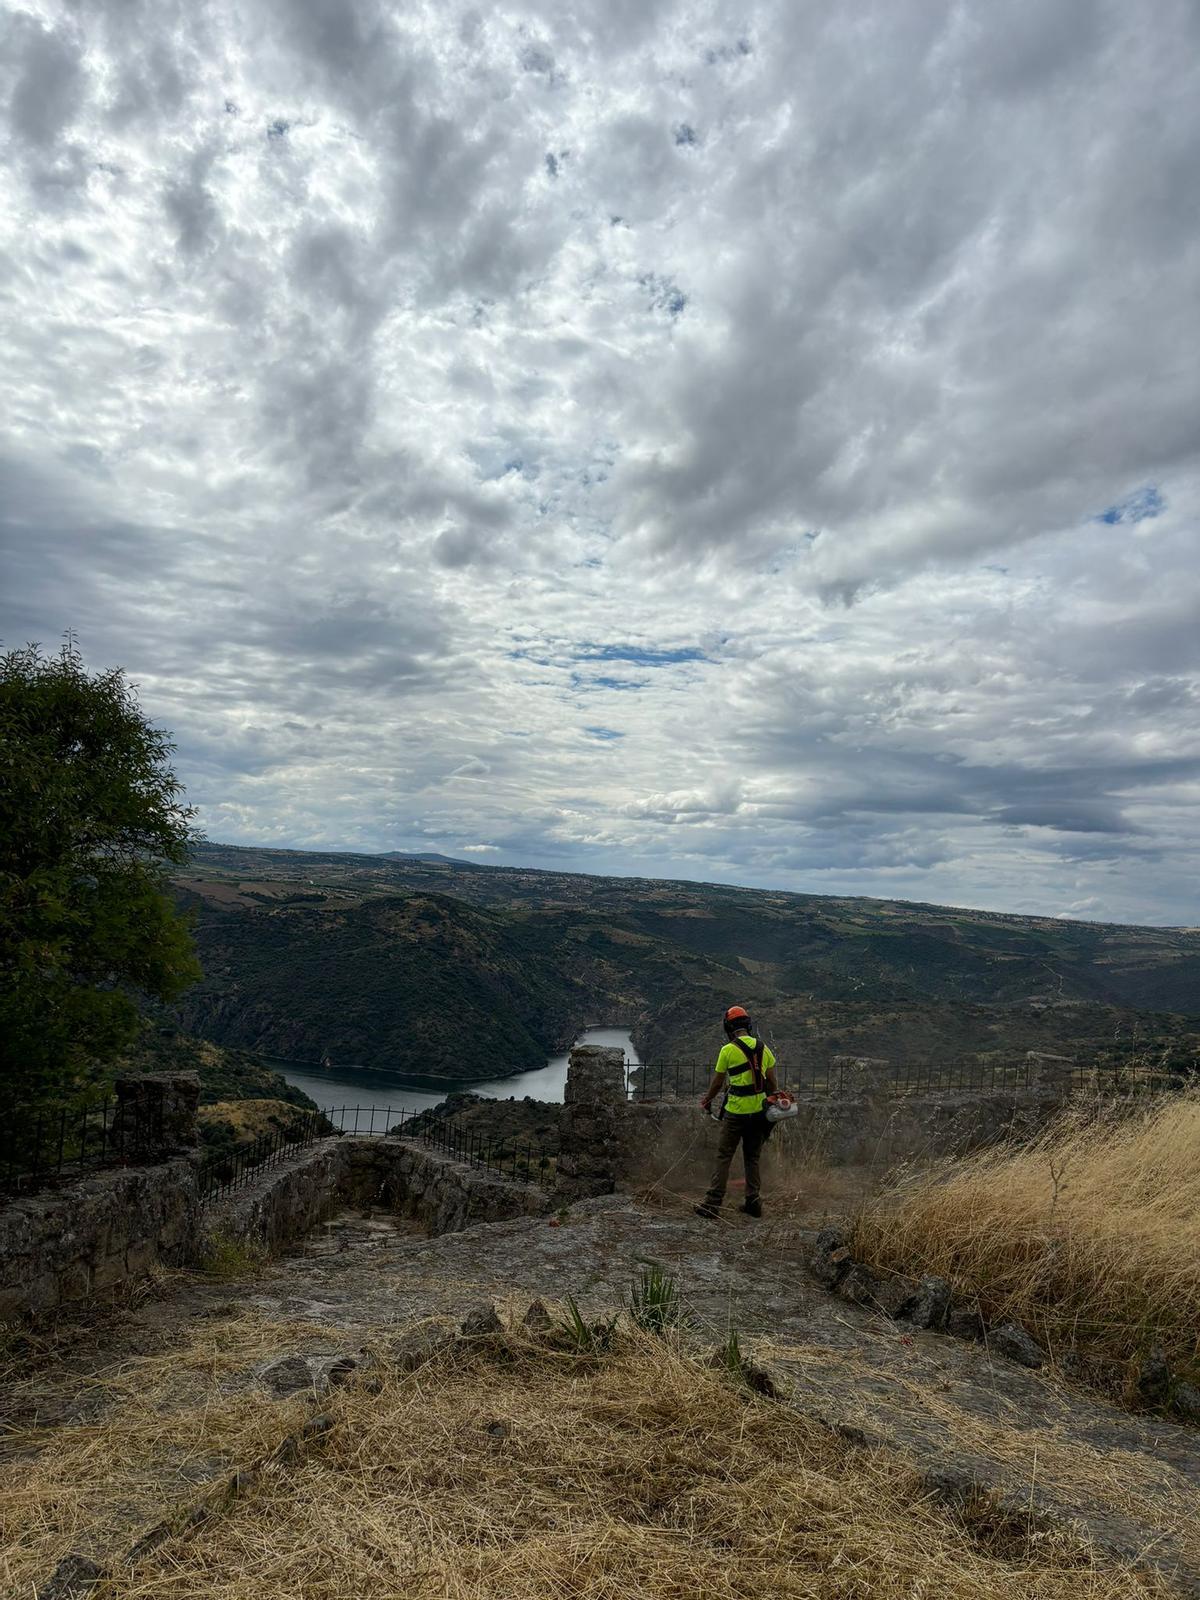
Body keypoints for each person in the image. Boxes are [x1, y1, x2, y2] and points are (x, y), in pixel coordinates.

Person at [694, 1005, 778, 1220]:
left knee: (724, 1156)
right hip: (759, 1113)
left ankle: (712, 1203)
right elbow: (772, 1083)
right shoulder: (764, 1048)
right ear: (748, 1026)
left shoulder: (727, 1050)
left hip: (735, 1112)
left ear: (728, 1027)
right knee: (752, 1158)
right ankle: (753, 1202)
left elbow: (718, 1082)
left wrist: (707, 1100)